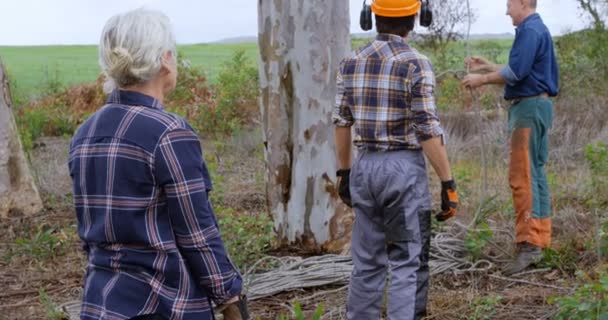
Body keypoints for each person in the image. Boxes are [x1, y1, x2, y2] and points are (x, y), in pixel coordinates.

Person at [68, 9, 247, 320]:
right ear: (165, 59)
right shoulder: (169, 133)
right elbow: (197, 234)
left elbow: (89, 234)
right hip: (163, 305)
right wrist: (230, 296)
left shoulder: (84, 133)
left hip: (100, 303)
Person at [333, 0, 459, 318]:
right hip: (402, 174)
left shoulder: (351, 61)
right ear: (417, 17)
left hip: (364, 167)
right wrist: (447, 181)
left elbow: (341, 122)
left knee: (367, 262)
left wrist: (344, 172)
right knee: (406, 261)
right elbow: (427, 129)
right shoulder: (415, 63)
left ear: (371, 16)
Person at [462, 0, 558, 276]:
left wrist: (480, 80)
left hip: (527, 110)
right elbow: (523, 71)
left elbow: (516, 73)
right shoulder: (537, 30)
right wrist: (488, 67)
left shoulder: (530, 30)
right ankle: (540, 240)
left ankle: (528, 246)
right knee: (535, 173)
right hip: (538, 106)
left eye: (509, 5)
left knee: (522, 176)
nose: (506, 11)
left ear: (524, 3)